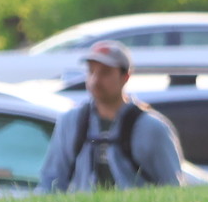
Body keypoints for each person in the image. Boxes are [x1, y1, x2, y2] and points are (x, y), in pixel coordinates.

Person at [37, 41, 184, 192]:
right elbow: (50, 183)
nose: (95, 80)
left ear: (125, 77)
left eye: (105, 72)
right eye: (91, 71)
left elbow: (172, 189)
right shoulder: (71, 122)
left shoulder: (153, 128)